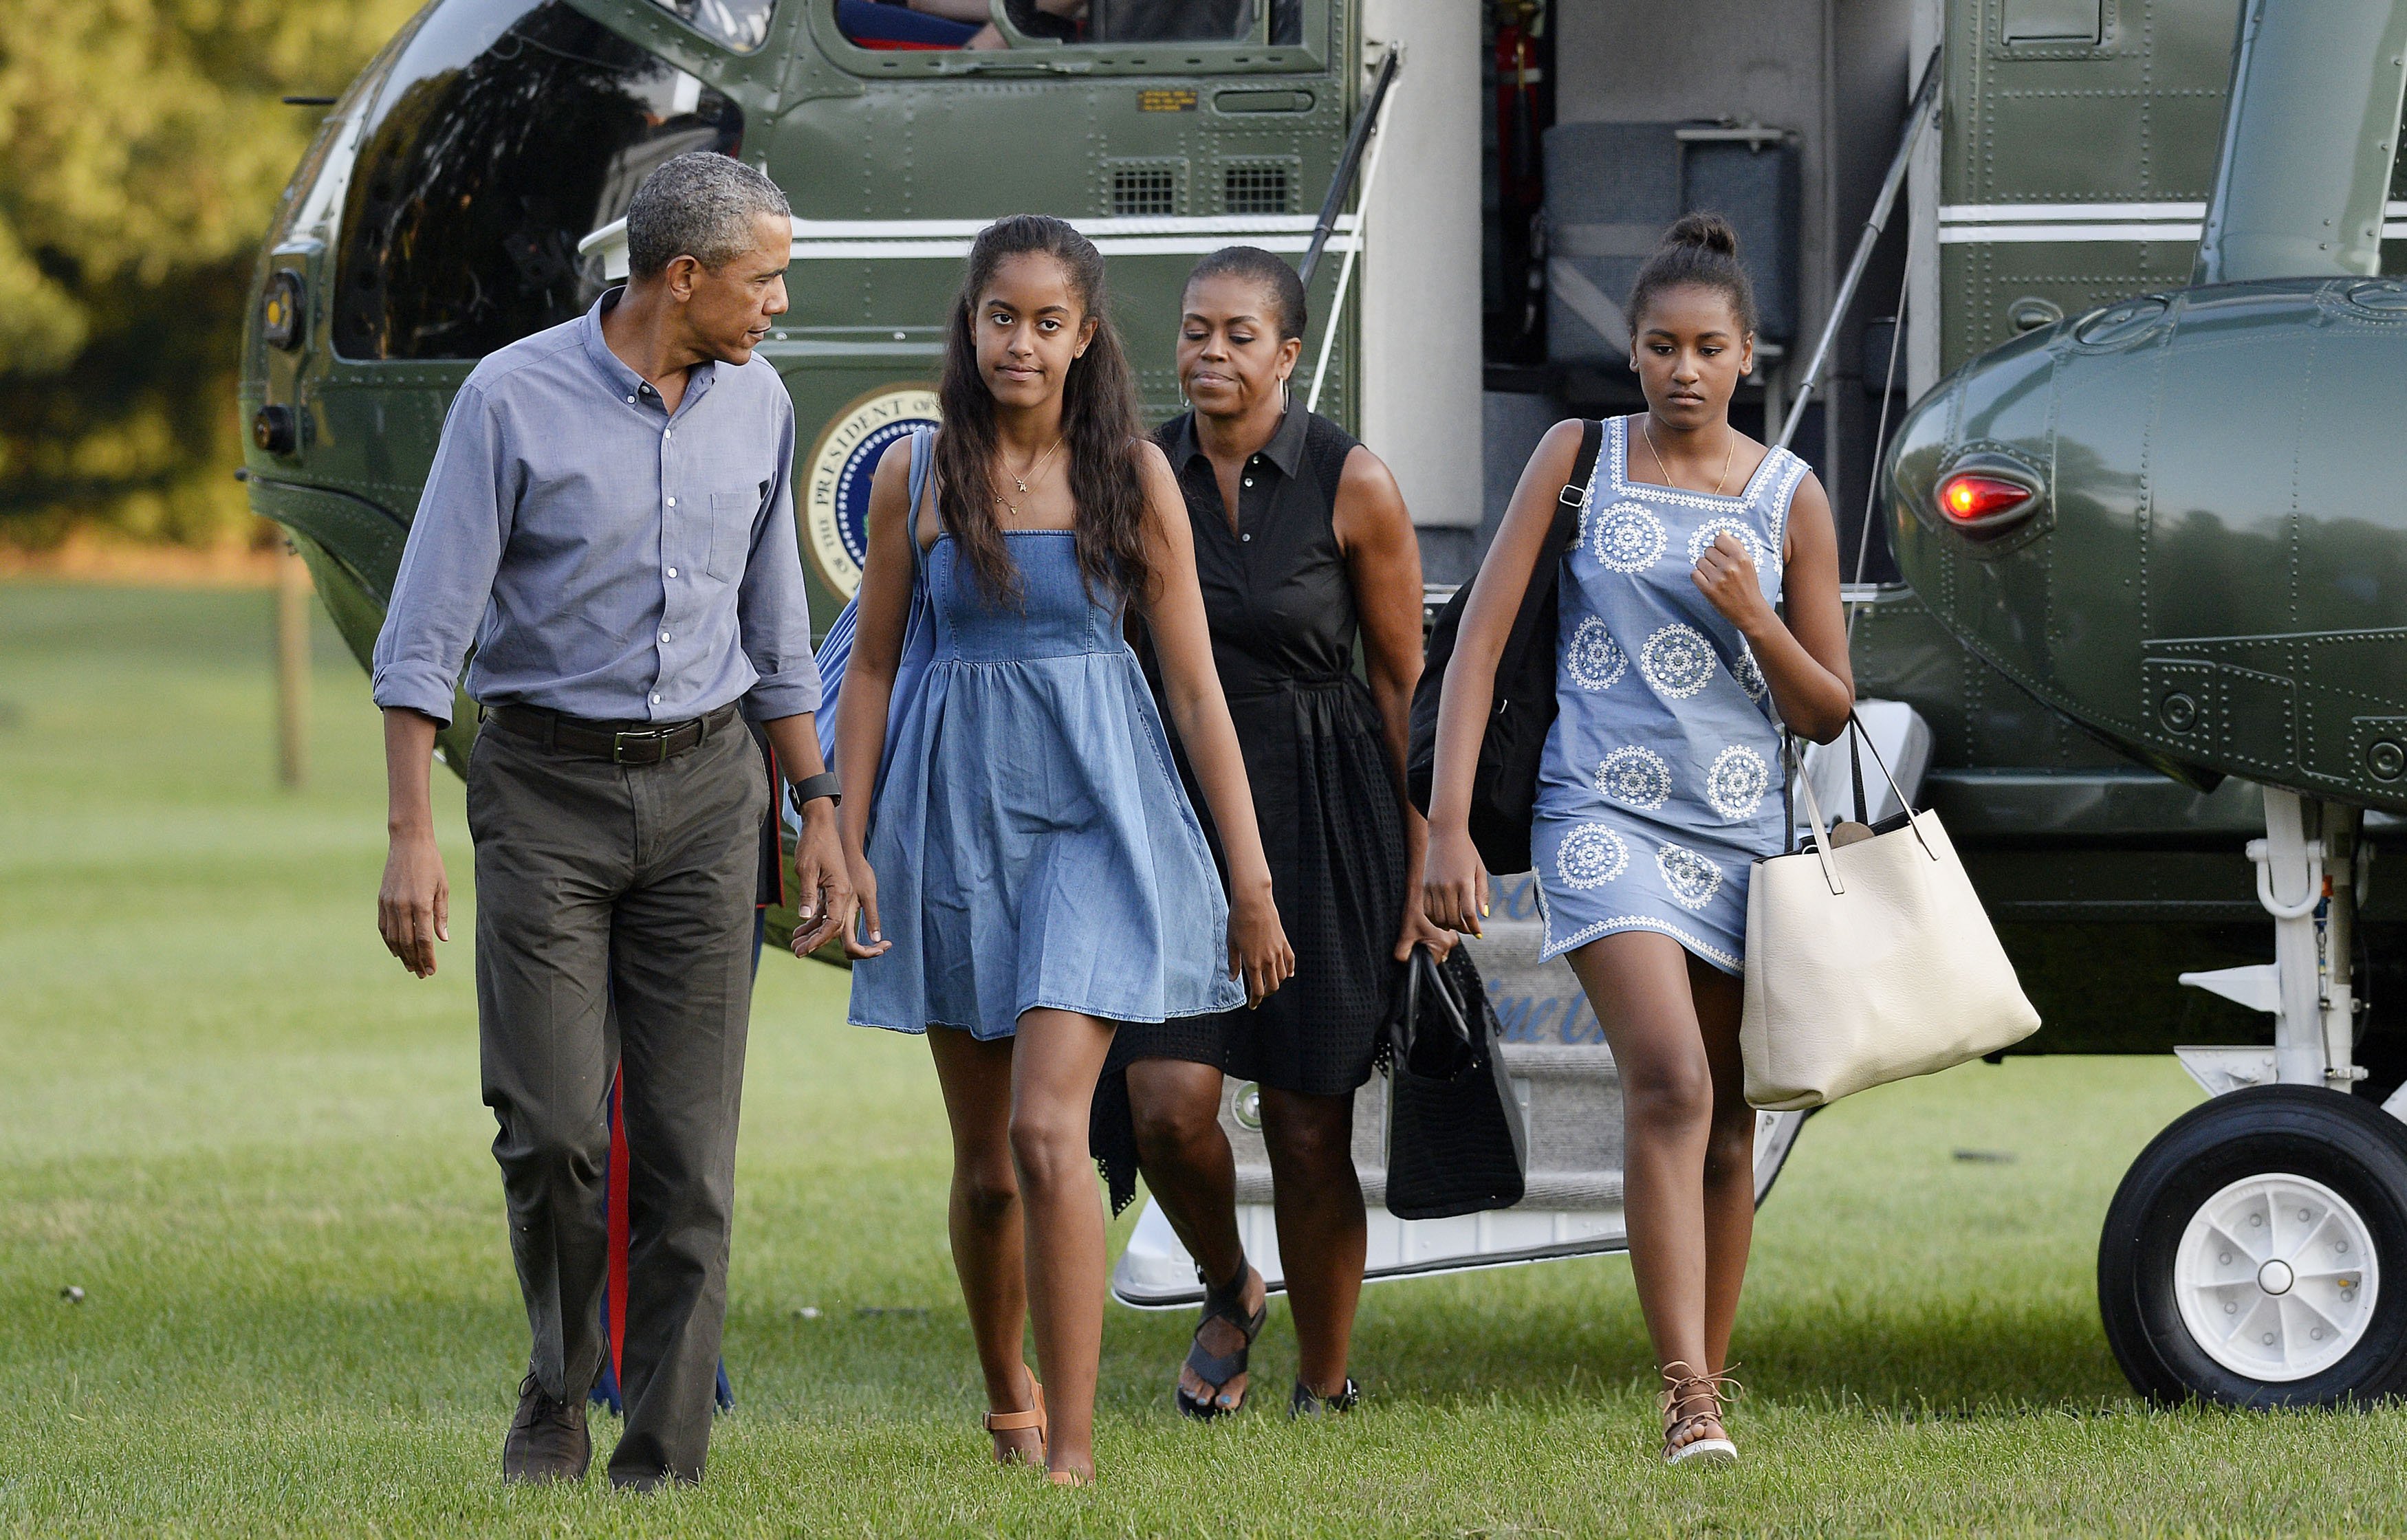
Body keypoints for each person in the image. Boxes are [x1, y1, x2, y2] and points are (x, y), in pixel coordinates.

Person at [369, 151, 850, 1490]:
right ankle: (555, 1381)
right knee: (552, 1128)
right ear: (682, 278)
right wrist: (413, 831)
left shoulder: (758, 405)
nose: (778, 308)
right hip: (543, 793)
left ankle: (662, 1458)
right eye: (765, 281)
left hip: (709, 795)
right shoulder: (509, 401)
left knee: (690, 1151)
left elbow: (776, 632)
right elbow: (425, 637)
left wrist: (815, 804)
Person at [829, 214, 1294, 1485]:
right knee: (986, 1171)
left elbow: (1196, 690)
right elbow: (871, 667)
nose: (1020, 342)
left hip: (1096, 812)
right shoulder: (913, 473)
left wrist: (1247, 884)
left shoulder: (1132, 477)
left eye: (1048, 322)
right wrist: (850, 837)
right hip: (952, 815)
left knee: (1049, 1133)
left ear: (1087, 336)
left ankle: (1074, 1456)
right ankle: (1007, 1395)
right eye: (1000, 316)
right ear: (968, 323)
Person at [1421, 213, 1853, 1466]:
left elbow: (1827, 707)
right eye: (1658, 346)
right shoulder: (1577, 455)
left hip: (1743, 832)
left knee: (1728, 1121)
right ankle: (1688, 1401)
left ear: (1748, 356)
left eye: (1706, 348)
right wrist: (1447, 822)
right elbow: (1480, 642)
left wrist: (1754, 619)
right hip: (1599, 815)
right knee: (1669, 1079)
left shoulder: (1791, 497)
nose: (1681, 370)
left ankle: (1708, 1376)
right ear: (1631, 352)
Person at [1089, 245, 1447, 1420]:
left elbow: (1402, 685)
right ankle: (1230, 1283)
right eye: (1195, 332)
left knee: (1305, 1121)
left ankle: (1324, 1381)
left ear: (1290, 354)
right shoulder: (1133, 471)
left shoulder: (1356, 483)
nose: (1209, 354)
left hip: (1327, 809)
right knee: (1167, 1105)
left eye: (1239, 335)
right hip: (1175, 817)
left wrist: (1421, 854)